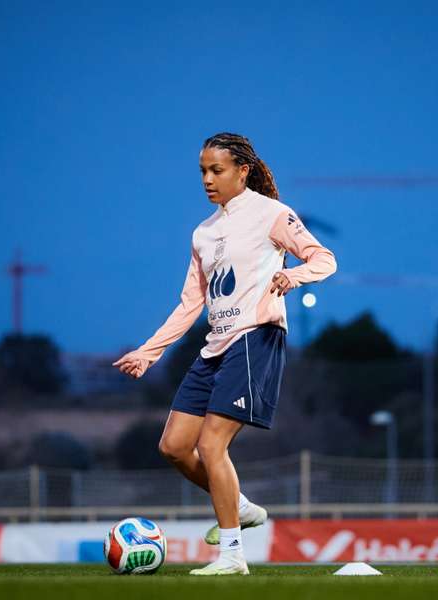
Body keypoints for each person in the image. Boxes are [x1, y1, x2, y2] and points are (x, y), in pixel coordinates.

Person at [112, 132, 337, 575]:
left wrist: (295, 277)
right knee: (174, 447)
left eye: (217, 170)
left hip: (255, 338)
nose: (208, 180)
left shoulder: (273, 214)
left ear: (242, 171)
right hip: (215, 347)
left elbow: (325, 259)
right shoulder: (203, 232)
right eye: (202, 172)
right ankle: (243, 507)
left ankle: (232, 555)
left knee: (211, 443)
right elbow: (190, 303)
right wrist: (148, 352)